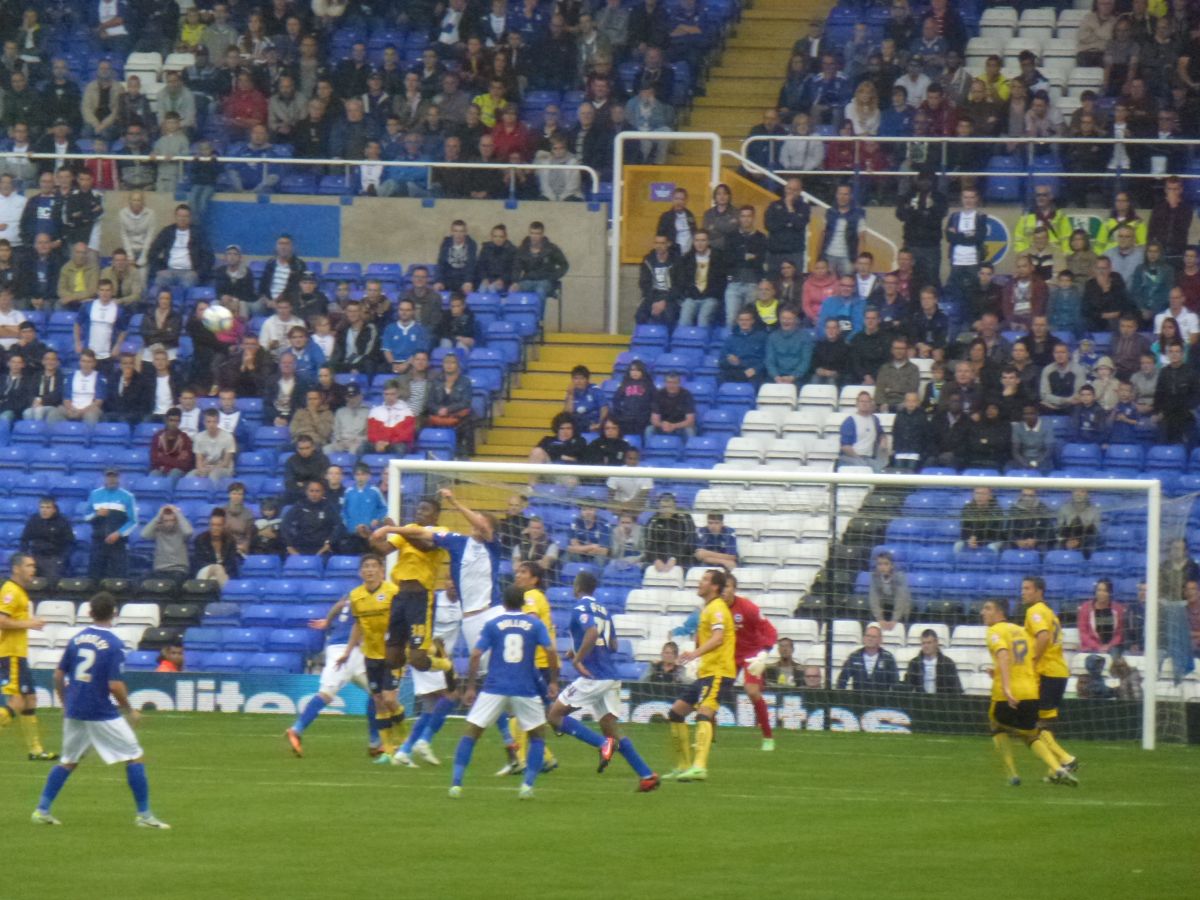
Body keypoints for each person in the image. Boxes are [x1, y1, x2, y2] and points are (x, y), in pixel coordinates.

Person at [31, 589, 171, 827]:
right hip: (99, 711)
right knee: (135, 756)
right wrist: (130, 710)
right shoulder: (114, 644)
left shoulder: (76, 639)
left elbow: (57, 675)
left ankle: (41, 810)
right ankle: (144, 815)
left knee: (68, 760)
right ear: (114, 613)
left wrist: (65, 703)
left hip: (75, 708)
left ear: (89, 612)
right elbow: (115, 685)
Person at [546, 571, 660, 789]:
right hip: (610, 675)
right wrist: (576, 650)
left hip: (593, 676)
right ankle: (646, 775)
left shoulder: (580, 607)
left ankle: (601, 744)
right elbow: (614, 645)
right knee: (610, 726)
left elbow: (591, 633)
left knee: (554, 715)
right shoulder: (604, 610)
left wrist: (578, 659)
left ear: (577, 587)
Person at [449, 581, 559, 799]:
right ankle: (527, 786)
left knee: (471, 733)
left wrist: (471, 686)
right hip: (525, 688)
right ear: (522, 603)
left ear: (504, 603)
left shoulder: (493, 624)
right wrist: (553, 682)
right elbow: (550, 650)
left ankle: (456, 784)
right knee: (537, 737)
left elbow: (475, 655)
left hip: (494, 688)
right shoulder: (535, 625)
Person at [980, 599, 1078, 788]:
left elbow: (1003, 654)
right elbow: (1024, 659)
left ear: (999, 612)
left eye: (987, 608)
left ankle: (1012, 774)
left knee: (996, 726)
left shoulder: (994, 631)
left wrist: (1007, 688)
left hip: (1008, 693)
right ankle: (1058, 768)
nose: (983, 612)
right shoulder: (1022, 632)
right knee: (1031, 734)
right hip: (1031, 692)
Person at [663, 569, 733, 782]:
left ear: (714, 587)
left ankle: (699, 767)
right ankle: (684, 766)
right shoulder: (708, 609)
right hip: (707, 672)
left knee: (704, 714)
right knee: (676, 713)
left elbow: (719, 638)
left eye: (704, 579)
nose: (699, 582)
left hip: (718, 672)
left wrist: (694, 653)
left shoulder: (718, 608)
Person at [333, 555, 405, 757]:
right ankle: (386, 746)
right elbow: (357, 625)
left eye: (374, 566)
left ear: (381, 570)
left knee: (390, 700)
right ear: (360, 572)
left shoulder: (392, 592)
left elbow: (404, 619)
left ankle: (404, 740)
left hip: (393, 654)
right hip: (371, 655)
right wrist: (347, 652)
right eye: (366, 566)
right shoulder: (356, 596)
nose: (370, 570)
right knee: (378, 701)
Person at [1020, 576, 1079, 776]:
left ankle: (1066, 759)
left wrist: (1033, 661)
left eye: (1028, 588)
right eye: (1023, 588)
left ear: (1039, 591)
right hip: (1059, 671)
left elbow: (1043, 636)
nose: (1023, 592)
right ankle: (1056, 770)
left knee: (1031, 724)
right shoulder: (1050, 613)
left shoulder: (1034, 611)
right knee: (1045, 722)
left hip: (1046, 673)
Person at [0, 553, 54, 760]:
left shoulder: (20, 592)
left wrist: (27, 623)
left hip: (18, 654)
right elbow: (2, 621)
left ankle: (36, 750)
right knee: (17, 702)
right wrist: (30, 623)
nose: (33, 569)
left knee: (30, 699)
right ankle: (35, 750)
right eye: (29, 565)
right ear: (16, 569)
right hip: (10, 654)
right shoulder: (11, 591)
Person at [722, 575, 779, 751]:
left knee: (752, 691)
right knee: (714, 691)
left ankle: (768, 737)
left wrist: (764, 652)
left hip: (751, 654)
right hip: (730, 655)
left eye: (728, 587)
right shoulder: (715, 609)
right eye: (722, 587)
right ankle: (709, 737)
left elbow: (769, 629)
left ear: (734, 589)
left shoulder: (747, 607)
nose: (725, 590)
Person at [84, 468, 136, 581]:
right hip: (98, 542)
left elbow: (133, 521)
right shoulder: (95, 494)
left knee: (118, 577)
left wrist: (119, 533)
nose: (111, 479)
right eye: (109, 476)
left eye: (114, 476)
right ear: (104, 478)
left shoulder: (127, 496)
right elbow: (86, 517)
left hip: (118, 544)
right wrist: (97, 514)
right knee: (94, 577)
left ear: (119, 478)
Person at [18, 498, 73, 582]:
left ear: (54, 509)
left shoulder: (62, 521)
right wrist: (25, 555)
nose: (44, 510)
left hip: (54, 557)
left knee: (52, 578)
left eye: (48, 507)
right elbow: (24, 540)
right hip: (35, 556)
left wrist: (62, 559)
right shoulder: (34, 520)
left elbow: (69, 543)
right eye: (42, 507)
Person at [281, 480, 340, 556]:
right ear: (306, 492)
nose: (314, 494)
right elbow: (285, 524)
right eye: (311, 491)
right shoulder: (299, 506)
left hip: (323, 548)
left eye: (317, 491)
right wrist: (289, 546)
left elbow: (339, 526)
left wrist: (329, 543)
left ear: (323, 492)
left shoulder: (329, 507)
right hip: (300, 547)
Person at [140, 505, 192, 585]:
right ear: (162, 521)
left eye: (172, 520)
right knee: (141, 582)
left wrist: (177, 513)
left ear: (176, 520)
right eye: (166, 520)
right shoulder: (158, 530)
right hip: (159, 570)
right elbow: (144, 535)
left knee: (172, 585)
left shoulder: (181, 531)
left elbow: (189, 532)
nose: (169, 523)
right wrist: (158, 516)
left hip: (178, 570)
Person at [836, 624, 899, 690]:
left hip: (881, 698)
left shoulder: (888, 658)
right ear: (863, 638)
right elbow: (842, 680)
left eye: (873, 637)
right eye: (868, 636)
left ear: (880, 640)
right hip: (858, 698)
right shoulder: (855, 656)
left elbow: (895, 682)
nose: (870, 639)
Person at [643, 493, 695, 573]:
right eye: (663, 507)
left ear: (674, 507)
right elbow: (649, 545)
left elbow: (689, 540)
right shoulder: (652, 521)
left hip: (682, 556)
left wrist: (674, 559)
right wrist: (656, 560)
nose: (666, 510)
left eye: (669, 507)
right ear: (659, 507)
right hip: (659, 557)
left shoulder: (685, 518)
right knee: (645, 568)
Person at [838, 391, 888, 471]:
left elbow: (881, 434)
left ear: (871, 403)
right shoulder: (850, 421)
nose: (864, 404)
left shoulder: (875, 420)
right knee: (863, 468)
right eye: (862, 401)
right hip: (851, 458)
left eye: (867, 401)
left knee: (880, 471)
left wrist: (883, 440)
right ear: (857, 403)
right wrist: (858, 459)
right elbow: (845, 446)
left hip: (869, 458)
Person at [903, 629, 963, 695]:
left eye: (929, 643)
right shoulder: (914, 664)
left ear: (936, 642)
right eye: (923, 643)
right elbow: (908, 687)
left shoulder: (947, 664)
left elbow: (956, 689)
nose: (926, 646)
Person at [192, 509, 241, 587]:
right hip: (204, 572)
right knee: (217, 568)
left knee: (215, 577)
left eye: (219, 525)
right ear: (209, 525)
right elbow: (199, 562)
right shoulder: (200, 540)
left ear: (224, 526)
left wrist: (220, 570)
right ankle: (227, 593)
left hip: (223, 574)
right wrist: (214, 567)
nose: (215, 528)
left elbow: (231, 563)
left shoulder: (230, 541)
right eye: (213, 525)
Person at [1078, 579, 1126, 656]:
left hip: (1112, 649)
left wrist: (1109, 646)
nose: (1101, 593)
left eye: (1105, 591)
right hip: (1091, 649)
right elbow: (1083, 634)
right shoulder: (1085, 608)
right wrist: (1098, 647)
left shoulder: (1118, 609)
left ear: (1110, 593)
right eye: (1099, 590)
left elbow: (1119, 634)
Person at [869, 552, 912, 632]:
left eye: (886, 564)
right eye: (880, 564)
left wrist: (895, 620)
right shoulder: (875, 577)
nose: (882, 567)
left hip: (901, 610)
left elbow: (901, 600)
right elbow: (873, 599)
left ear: (892, 565)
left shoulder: (899, 577)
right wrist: (880, 619)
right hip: (885, 608)